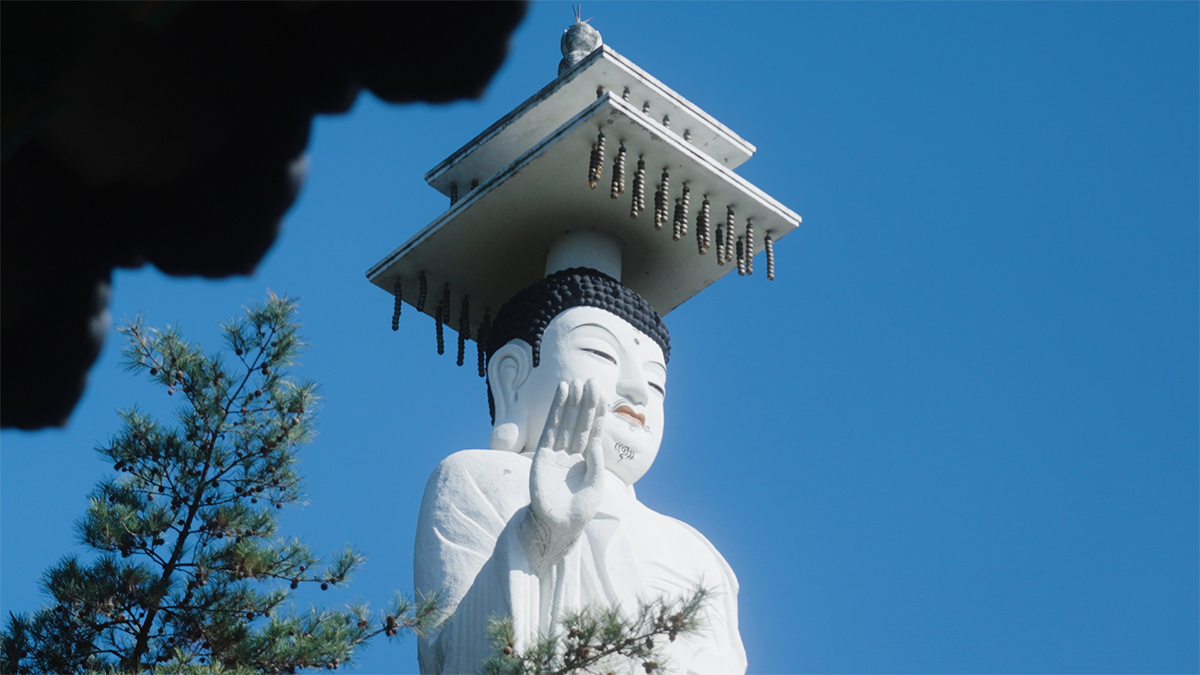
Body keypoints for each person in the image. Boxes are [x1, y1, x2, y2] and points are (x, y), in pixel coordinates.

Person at [414, 268, 746, 674]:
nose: (638, 391)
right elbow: (450, 656)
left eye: (656, 383)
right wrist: (542, 534)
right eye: (601, 353)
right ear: (512, 376)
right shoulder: (477, 476)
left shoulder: (696, 552)